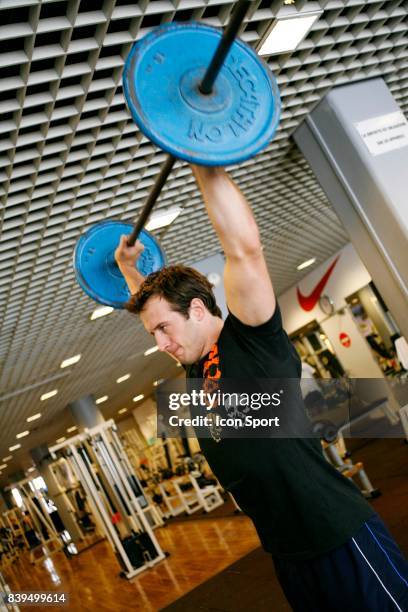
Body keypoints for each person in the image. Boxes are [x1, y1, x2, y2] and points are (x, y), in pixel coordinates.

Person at [115, 166, 408, 611]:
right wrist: (127, 269)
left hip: (335, 532)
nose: (159, 344)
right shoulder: (194, 361)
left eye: (163, 330)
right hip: (287, 553)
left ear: (198, 310)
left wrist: (202, 161)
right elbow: (156, 308)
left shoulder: (252, 340)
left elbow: (245, 250)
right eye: (154, 333)